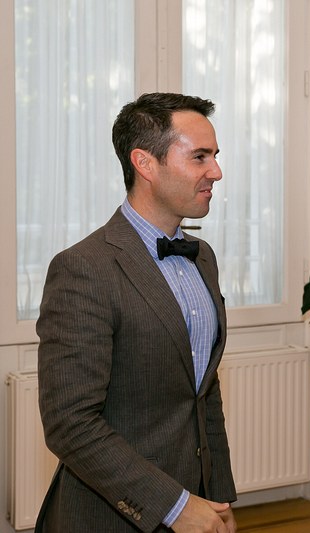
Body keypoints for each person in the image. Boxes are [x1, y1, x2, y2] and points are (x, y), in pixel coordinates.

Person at [36, 93, 237, 532]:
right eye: (200, 157)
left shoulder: (203, 257)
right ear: (145, 164)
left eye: (215, 156)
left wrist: (218, 496)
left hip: (197, 504)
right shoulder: (83, 268)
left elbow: (204, 391)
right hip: (110, 514)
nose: (216, 171)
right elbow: (70, 424)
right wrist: (174, 507)